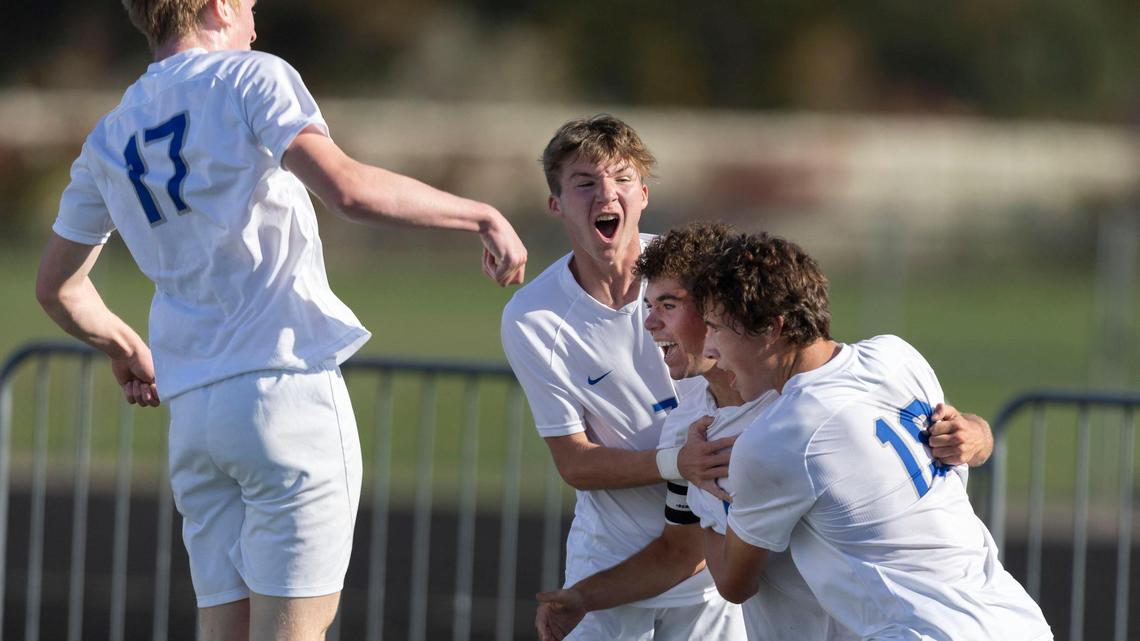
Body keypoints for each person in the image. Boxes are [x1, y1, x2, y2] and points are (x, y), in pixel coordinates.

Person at [35, 1, 527, 640]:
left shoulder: (108, 135)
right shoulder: (249, 76)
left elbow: (58, 287)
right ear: (216, 6)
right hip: (283, 396)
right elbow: (347, 189)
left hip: (194, 417)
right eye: (248, 6)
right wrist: (481, 216)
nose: (255, 23)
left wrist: (122, 344)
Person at [534, 222, 994, 641]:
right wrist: (585, 596)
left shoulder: (803, 404)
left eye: (669, 306)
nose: (650, 322)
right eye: (648, 306)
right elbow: (682, 551)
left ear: (720, 308)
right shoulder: (690, 430)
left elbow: (733, 581)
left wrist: (975, 434)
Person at [692, 232, 1052, 640]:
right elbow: (963, 441)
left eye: (716, 329)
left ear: (772, 329)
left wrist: (694, 490)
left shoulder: (779, 436)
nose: (709, 348)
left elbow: (734, 583)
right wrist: (981, 433)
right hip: (1016, 621)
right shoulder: (896, 356)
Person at [501, 118, 744, 640]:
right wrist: (676, 462)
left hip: (716, 565)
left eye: (622, 178)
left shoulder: (698, 273)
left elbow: (785, 370)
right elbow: (574, 461)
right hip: (609, 562)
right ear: (557, 204)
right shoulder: (533, 317)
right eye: (585, 183)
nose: (605, 194)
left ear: (644, 194)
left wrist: (969, 431)